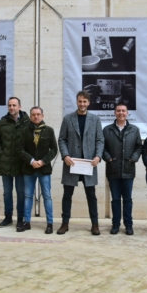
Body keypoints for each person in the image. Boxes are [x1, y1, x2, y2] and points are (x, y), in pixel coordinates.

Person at [58, 90, 104, 235]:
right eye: (80, 101)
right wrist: (65, 155)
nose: (82, 104)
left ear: (89, 103)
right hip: (72, 163)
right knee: (67, 195)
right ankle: (65, 223)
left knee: (91, 195)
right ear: (77, 102)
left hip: (89, 164)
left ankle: (95, 224)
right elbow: (62, 139)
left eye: (85, 101)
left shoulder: (95, 119)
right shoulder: (68, 119)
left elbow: (100, 140)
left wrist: (98, 156)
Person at [102, 103, 142, 235]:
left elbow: (139, 147)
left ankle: (129, 225)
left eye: (123, 111)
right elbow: (102, 148)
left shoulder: (134, 130)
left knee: (128, 199)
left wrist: (133, 158)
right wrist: (108, 158)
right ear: (114, 113)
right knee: (115, 200)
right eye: (118, 111)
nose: (121, 113)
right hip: (113, 170)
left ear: (127, 113)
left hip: (128, 170)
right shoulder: (107, 130)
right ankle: (115, 224)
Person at [17, 106, 58, 233]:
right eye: (33, 114)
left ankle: (50, 223)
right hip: (29, 169)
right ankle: (27, 222)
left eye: (38, 114)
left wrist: (42, 161)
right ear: (30, 116)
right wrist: (31, 161)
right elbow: (20, 149)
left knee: (47, 196)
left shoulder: (49, 131)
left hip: (44, 169)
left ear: (43, 116)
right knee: (28, 196)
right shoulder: (24, 131)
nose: (36, 116)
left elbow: (54, 150)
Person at [0, 97, 30, 229]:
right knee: (7, 192)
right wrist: (1, 155)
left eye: (14, 105)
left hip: (21, 164)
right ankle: (8, 217)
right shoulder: (2, 122)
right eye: (9, 105)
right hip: (6, 162)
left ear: (19, 106)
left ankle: (20, 218)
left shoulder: (27, 121)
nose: (12, 108)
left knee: (21, 192)